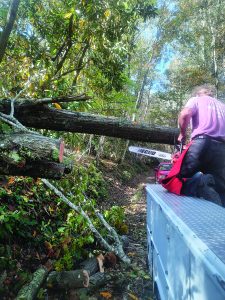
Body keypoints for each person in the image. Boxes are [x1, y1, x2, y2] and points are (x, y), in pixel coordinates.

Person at [177, 84, 225, 206]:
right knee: (221, 187)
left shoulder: (196, 99)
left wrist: (182, 134)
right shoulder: (222, 106)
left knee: (181, 177)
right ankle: (220, 219)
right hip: (222, 148)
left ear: (198, 93)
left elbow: (185, 114)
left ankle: (199, 184)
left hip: (202, 143)